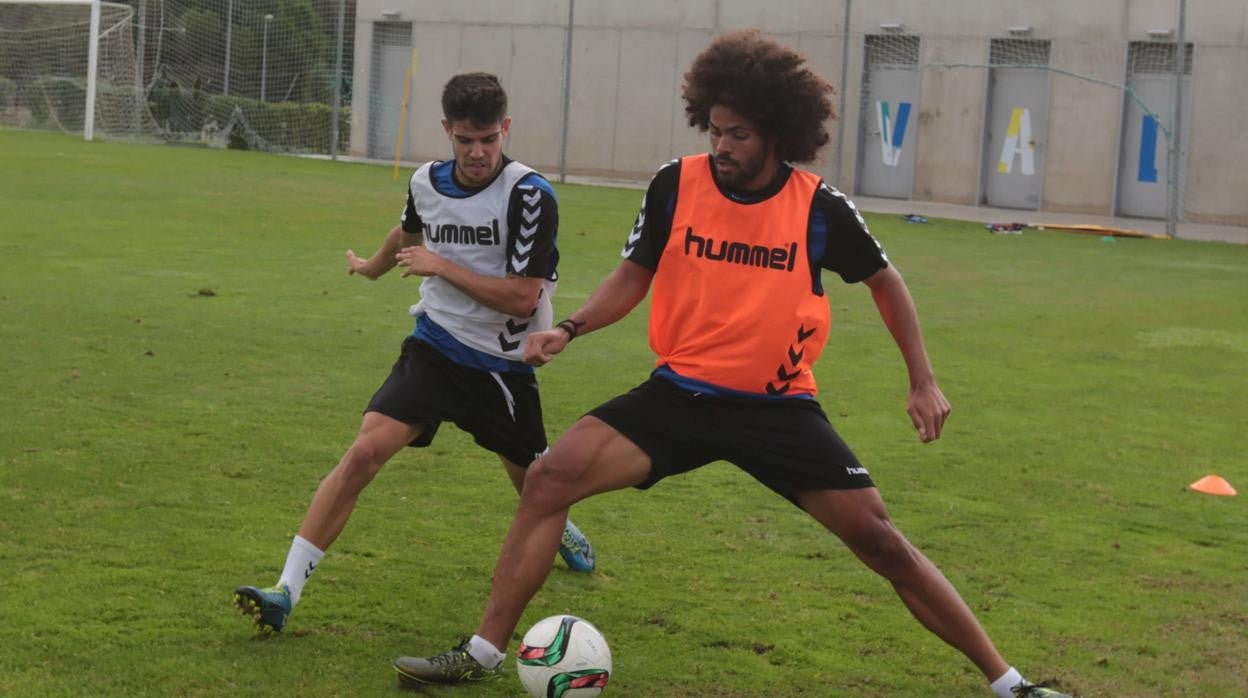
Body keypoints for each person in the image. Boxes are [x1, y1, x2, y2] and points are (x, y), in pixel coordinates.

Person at [394, 34, 1074, 697]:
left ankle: (1011, 684)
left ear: (777, 132)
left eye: (738, 134)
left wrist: (922, 380)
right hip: (679, 396)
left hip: (776, 408)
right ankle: (481, 653)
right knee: (548, 480)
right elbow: (634, 275)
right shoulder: (675, 185)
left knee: (881, 541)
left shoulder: (817, 207)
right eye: (715, 130)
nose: (721, 146)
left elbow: (886, 283)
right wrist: (570, 327)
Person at [233, 72, 597, 634]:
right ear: (447, 130)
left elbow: (525, 296)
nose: (477, 153)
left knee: (534, 481)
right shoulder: (427, 181)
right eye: (465, 140)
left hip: (501, 363)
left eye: (488, 140)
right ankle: (285, 589)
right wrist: (371, 269)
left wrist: (442, 265)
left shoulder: (529, 195)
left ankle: (563, 527)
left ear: (505, 129)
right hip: (435, 345)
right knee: (362, 454)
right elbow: (407, 232)